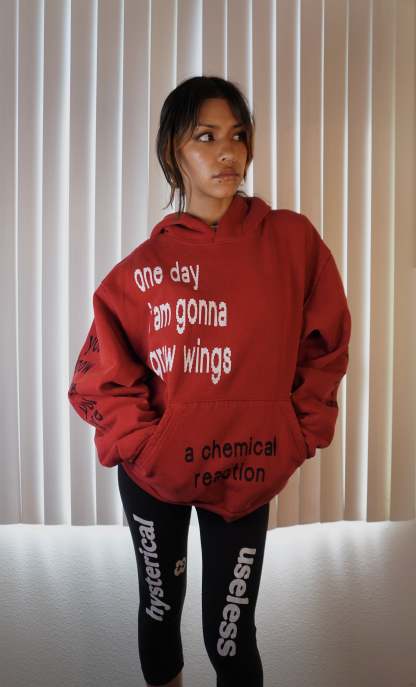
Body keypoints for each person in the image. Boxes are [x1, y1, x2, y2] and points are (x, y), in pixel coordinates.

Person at [68, 76, 351, 687]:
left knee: (230, 636)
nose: (228, 152)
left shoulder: (292, 242)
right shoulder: (144, 270)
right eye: (206, 137)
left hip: (248, 468)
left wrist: (300, 433)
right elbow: (96, 378)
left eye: (238, 136)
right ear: (174, 151)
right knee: (159, 614)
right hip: (155, 477)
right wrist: (145, 444)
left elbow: (325, 347)